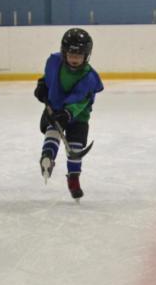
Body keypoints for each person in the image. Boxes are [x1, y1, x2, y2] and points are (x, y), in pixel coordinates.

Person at [33, 28, 104, 200]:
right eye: (71, 55)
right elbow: (48, 78)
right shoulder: (55, 61)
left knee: (75, 147)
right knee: (53, 130)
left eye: (78, 56)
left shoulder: (89, 77)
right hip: (56, 107)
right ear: (64, 53)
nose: (74, 59)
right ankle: (47, 156)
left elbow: (81, 101)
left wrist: (68, 114)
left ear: (86, 56)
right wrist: (42, 86)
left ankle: (73, 178)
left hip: (78, 116)